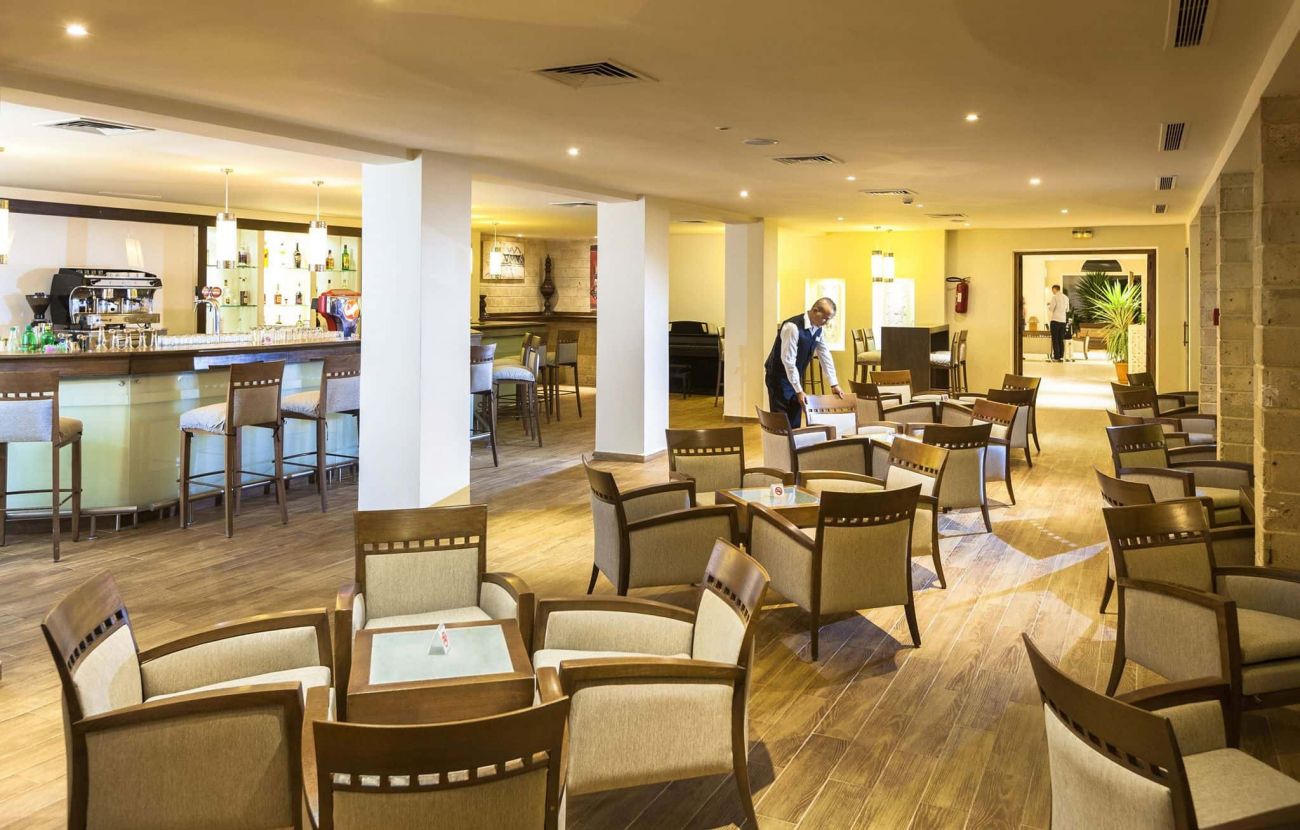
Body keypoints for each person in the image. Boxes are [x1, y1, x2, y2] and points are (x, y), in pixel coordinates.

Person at [763, 297, 843, 427]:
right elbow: (788, 361)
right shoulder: (792, 327)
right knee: (782, 421)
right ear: (815, 310)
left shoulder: (818, 329)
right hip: (778, 377)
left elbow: (825, 355)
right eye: (825, 318)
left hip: (794, 377)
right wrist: (799, 390)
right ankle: (782, 440)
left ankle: (794, 439)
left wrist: (834, 384)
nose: (826, 323)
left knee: (795, 417)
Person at [1047, 284, 1069, 362]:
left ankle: (1056, 357)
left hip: (1055, 320)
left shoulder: (1055, 297)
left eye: (1052, 290)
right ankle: (1061, 356)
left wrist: (1048, 305)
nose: (1052, 291)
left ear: (1055, 289)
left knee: (1055, 339)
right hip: (1063, 321)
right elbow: (1067, 310)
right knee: (1061, 339)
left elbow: (1051, 309)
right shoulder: (1066, 298)